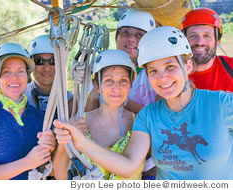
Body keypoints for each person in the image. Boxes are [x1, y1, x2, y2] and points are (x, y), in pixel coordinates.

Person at [54, 26, 233, 180]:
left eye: (170, 66)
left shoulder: (221, 104)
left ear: (187, 67)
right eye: (153, 70)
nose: (162, 77)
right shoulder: (149, 115)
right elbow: (128, 165)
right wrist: (78, 140)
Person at [0, 43, 55, 180]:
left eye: (20, 71)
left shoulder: (42, 119)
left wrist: (53, 150)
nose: (15, 78)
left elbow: (54, 172)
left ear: (27, 77)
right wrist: (26, 163)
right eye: (6, 71)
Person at [54, 49, 145, 180]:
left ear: (130, 84)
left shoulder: (140, 122)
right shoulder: (78, 122)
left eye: (123, 81)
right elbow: (59, 172)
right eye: (109, 80)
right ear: (97, 85)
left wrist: (81, 141)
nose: (116, 88)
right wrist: (64, 141)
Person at [0, 35, 74, 117]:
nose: (46, 67)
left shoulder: (71, 101)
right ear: (30, 65)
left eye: (53, 61)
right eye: (39, 61)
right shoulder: (15, 92)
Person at [85, 9, 157, 114]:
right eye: (125, 33)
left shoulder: (157, 73)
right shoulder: (100, 68)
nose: (131, 38)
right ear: (117, 37)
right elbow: (87, 117)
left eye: (140, 35)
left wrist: (119, 98)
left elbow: (159, 117)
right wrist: (91, 100)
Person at [181, 7, 233, 92]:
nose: (200, 42)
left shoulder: (230, 66)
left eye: (207, 36)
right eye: (193, 36)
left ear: (217, 42)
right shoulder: (174, 76)